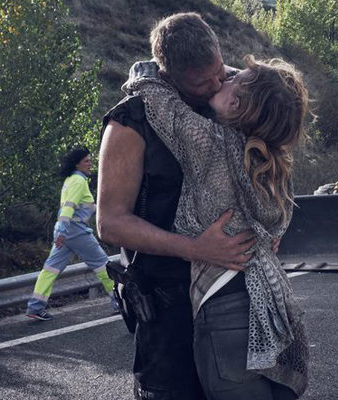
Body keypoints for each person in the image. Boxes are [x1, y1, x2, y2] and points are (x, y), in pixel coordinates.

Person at [124, 54, 310, 399]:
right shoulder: (271, 160)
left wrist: (144, 70)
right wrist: (247, 81)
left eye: (230, 79)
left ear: (236, 102)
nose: (223, 77)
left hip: (227, 312)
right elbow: (260, 93)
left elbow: (159, 103)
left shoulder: (210, 143)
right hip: (271, 306)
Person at [97, 13, 255, 400]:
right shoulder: (130, 121)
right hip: (169, 310)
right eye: (203, 82)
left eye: (219, 71)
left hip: (233, 297)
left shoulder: (227, 95)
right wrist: (195, 248)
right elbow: (110, 223)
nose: (217, 84)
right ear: (170, 75)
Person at [25, 147, 115, 321]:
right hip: (76, 232)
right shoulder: (78, 181)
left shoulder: (71, 180)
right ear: (77, 164)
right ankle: (119, 302)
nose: (91, 163)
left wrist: (61, 232)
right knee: (104, 266)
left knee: (50, 269)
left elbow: (78, 207)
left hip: (65, 231)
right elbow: (68, 208)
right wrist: (63, 232)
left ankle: (35, 307)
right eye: (87, 161)